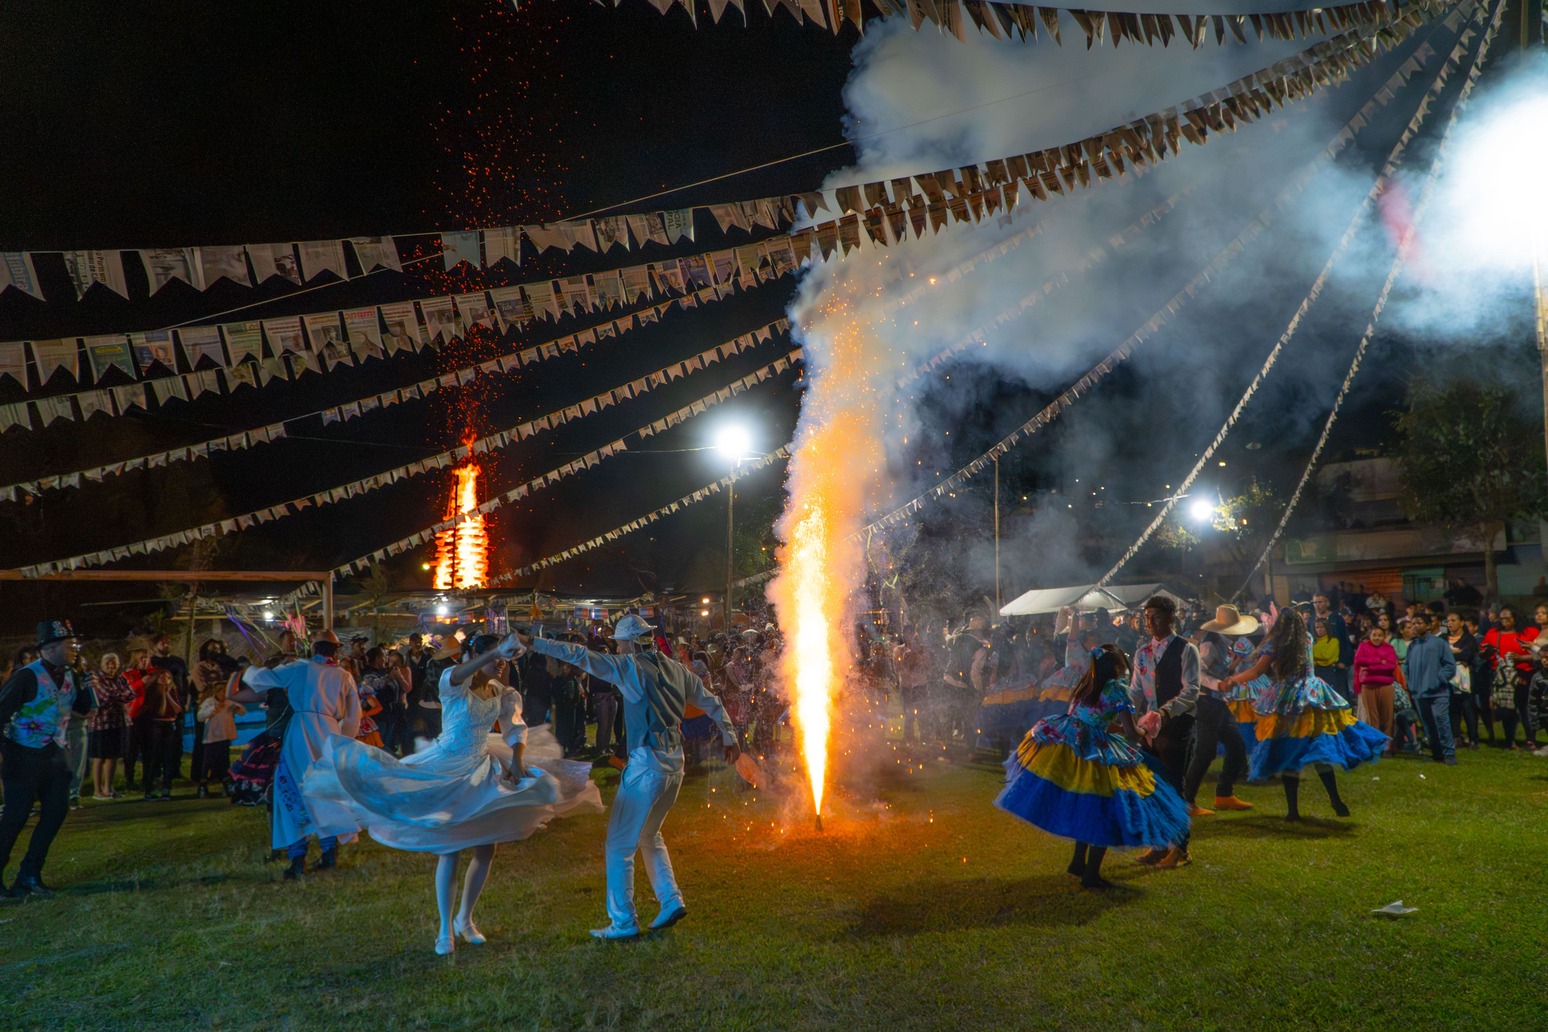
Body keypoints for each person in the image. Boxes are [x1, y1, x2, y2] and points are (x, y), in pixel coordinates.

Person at [302, 634, 601, 954]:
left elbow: (515, 729)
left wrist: (516, 762)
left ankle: (465, 919)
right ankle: (444, 929)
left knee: (487, 849)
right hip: (446, 766)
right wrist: (493, 652)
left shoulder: (502, 692)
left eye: (502, 657)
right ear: (473, 656)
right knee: (452, 848)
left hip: (482, 767)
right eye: (492, 656)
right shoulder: (453, 682)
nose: (500, 662)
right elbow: (458, 673)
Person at [519, 614, 738, 941]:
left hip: (647, 762)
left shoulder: (630, 667)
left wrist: (533, 643)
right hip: (674, 763)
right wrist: (730, 735)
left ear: (631, 641)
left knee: (619, 843)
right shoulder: (676, 669)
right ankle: (670, 899)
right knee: (650, 835)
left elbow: (581, 656)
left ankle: (623, 921)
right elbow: (712, 701)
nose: (616, 646)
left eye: (620, 642)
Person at [994, 643, 1190, 889]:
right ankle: (1091, 875)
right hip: (1096, 751)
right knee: (1103, 810)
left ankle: (1078, 862)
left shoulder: (1086, 684)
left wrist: (1119, 728)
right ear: (1119, 667)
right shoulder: (1117, 689)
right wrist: (1146, 728)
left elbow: (1093, 719)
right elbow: (1130, 733)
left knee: (1087, 806)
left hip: (1072, 742)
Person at [1220, 608, 1387, 820]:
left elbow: (1256, 671)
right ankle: (1334, 798)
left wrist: (1233, 679)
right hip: (1313, 695)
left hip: (1289, 699)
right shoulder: (1306, 638)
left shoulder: (1276, 643)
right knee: (1319, 749)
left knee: (1290, 753)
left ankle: (1293, 811)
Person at [233, 629, 362, 880]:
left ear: (313, 649)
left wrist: (245, 668)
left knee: (292, 788)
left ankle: (298, 858)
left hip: (301, 733)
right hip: (329, 733)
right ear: (336, 650)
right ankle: (328, 853)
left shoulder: (299, 668)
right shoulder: (344, 676)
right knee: (327, 791)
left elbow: (263, 678)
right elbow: (353, 715)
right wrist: (344, 743)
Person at [0, 620, 95, 896]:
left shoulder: (71, 675)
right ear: (50, 648)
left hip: (55, 756)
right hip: (23, 756)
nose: (75, 649)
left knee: (55, 812)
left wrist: (88, 685)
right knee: (15, 817)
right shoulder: (26, 676)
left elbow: (82, 708)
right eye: (70, 644)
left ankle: (30, 874)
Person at [1127, 595, 1199, 867]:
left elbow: (1191, 690)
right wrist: (1122, 713)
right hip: (1150, 731)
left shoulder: (1185, 649)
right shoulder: (1142, 653)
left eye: (1155, 616)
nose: (1150, 622)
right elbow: (1135, 692)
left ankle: (1181, 848)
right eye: (1146, 617)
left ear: (1170, 617)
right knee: (1151, 786)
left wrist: (1166, 712)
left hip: (1177, 727)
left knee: (1173, 787)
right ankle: (1158, 845)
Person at [1184, 605, 1257, 815]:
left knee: (1236, 746)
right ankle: (1187, 801)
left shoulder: (1224, 644)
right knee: (1205, 752)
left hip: (1218, 702)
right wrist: (1219, 684)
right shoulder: (1209, 645)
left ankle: (1224, 794)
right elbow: (1199, 674)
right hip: (1207, 702)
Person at [1481, 605, 1538, 749]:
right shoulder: (1493, 633)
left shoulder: (1529, 632)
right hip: (1501, 676)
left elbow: (1540, 653)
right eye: (1502, 619)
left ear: (1515, 618)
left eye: (1508, 618)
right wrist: (1487, 652)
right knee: (1507, 709)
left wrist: (1522, 658)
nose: (1504, 622)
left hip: (1524, 674)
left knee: (1525, 709)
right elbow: (1482, 653)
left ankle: (1530, 739)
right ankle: (1509, 740)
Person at [1407, 612, 1458, 765]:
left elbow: (1450, 666)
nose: (1416, 626)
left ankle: (1449, 754)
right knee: (1428, 725)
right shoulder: (1413, 646)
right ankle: (1437, 754)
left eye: (1419, 623)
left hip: (1438, 692)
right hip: (1419, 693)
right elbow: (1406, 666)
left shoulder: (1439, 643)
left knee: (1441, 721)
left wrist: (1438, 679)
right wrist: (1411, 682)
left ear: (1428, 625)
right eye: (1413, 623)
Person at [87, 652, 135, 800]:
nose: (111, 666)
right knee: (99, 757)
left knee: (112, 756)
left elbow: (130, 694)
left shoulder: (119, 679)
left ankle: (108, 788)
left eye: (113, 663)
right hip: (100, 723)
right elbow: (104, 697)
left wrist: (116, 695)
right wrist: (118, 695)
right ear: (102, 664)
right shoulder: (96, 679)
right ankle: (97, 790)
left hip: (116, 723)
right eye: (108, 663)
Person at [197, 658, 246, 794]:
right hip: (211, 737)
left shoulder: (229, 702)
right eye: (221, 691)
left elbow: (242, 711)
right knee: (207, 762)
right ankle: (203, 784)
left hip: (224, 736)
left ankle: (225, 783)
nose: (223, 694)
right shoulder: (210, 702)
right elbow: (200, 716)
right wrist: (212, 710)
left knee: (224, 761)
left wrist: (237, 709)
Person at [1353, 625, 1399, 747]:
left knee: (1387, 715)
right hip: (1368, 685)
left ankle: (1388, 744)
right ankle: (1376, 743)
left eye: (1380, 635)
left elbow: (1390, 666)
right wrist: (1379, 661)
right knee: (1372, 715)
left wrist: (1370, 666)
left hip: (1385, 685)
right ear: (1369, 636)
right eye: (1374, 635)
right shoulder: (1363, 646)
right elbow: (1359, 661)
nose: (1377, 638)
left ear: (1384, 637)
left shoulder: (1389, 648)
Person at [1443, 612, 1480, 750]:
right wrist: (1455, 653)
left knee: (1468, 708)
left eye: (1453, 620)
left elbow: (1467, 654)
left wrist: (1450, 653)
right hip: (1448, 678)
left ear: (1461, 622)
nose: (1450, 623)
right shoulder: (1443, 638)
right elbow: (1440, 655)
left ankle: (1473, 739)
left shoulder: (1468, 639)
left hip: (1464, 679)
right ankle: (1456, 736)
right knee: (1452, 709)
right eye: (1448, 621)